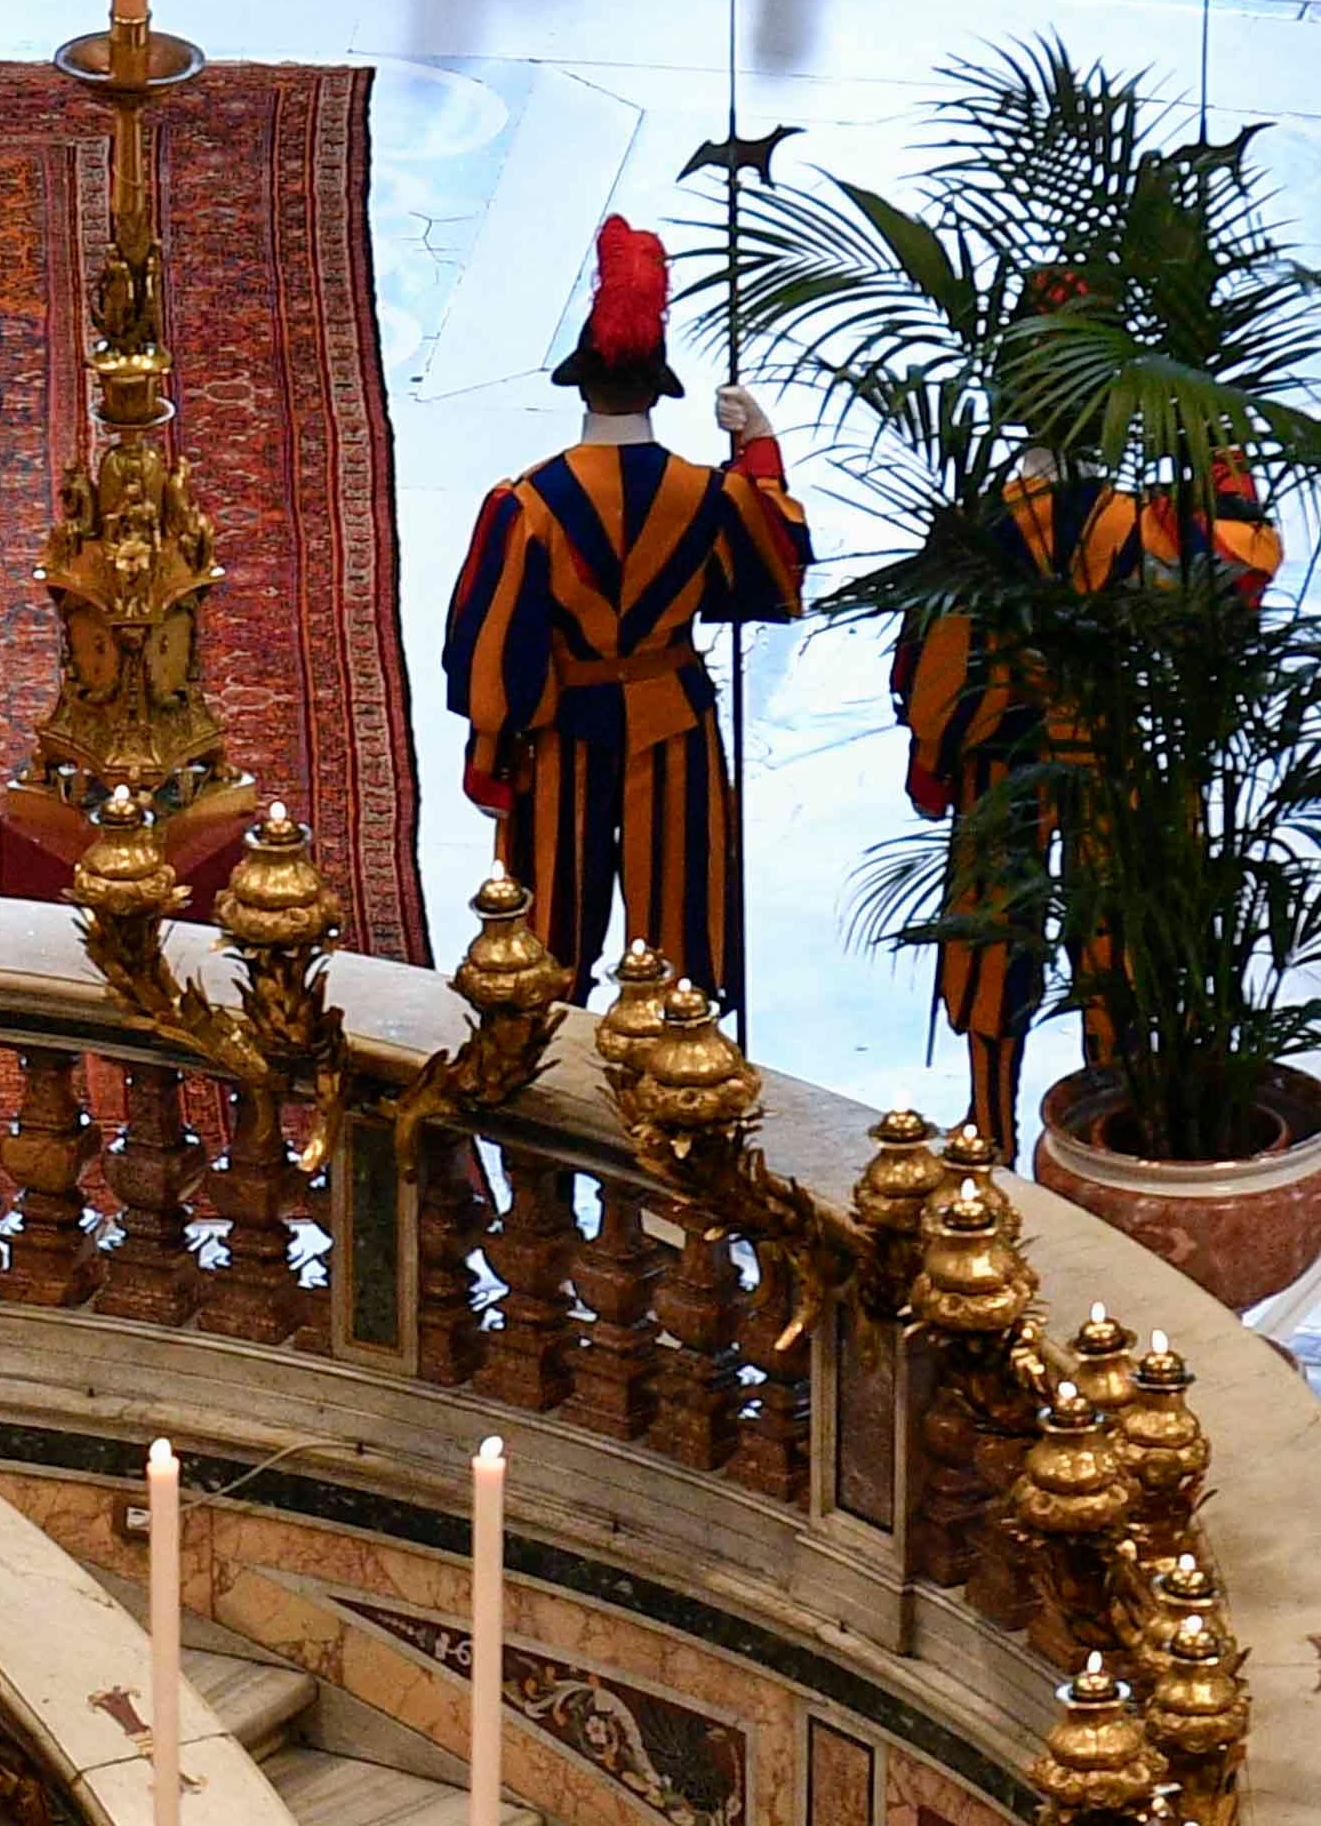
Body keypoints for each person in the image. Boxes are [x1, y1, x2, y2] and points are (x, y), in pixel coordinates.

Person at [438, 221, 807, 1016]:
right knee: (678, 945)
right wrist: (760, 448)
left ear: (579, 385)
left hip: (561, 732)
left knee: (543, 942)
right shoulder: (711, 495)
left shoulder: (526, 503)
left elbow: (494, 641)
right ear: (658, 389)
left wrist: (488, 751)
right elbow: (775, 569)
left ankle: (537, 1091)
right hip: (674, 725)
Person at [888, 422, 1278, 1152]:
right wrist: (1218, 455)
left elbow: (932, 668)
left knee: (992, 942)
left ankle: (988, 1131)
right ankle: (1113, 1133)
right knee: (1117, 944)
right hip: (1117, 765)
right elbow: (1238, 568)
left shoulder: (972, 526)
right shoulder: (1145, 527)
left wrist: (936, 756)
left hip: (998, 766)